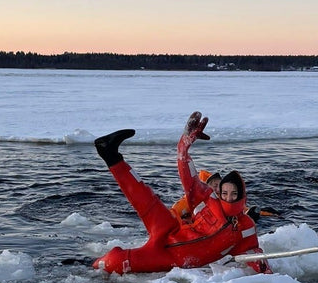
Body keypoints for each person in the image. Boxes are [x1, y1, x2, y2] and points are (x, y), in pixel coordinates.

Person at [92, 112, 268, 274]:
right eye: (225, 193)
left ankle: (92, 266)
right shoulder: (209, 199)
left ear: (241, 195)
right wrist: (184, 145)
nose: (228, 198)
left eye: (233, 194)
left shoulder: (246, 227)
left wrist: (265, 271)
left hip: (169, 258)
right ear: (220, 193)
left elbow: (253, 252)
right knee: (144, 196)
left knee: (114, 262)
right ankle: (110, 154)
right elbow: (189, 177)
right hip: (170, 230)